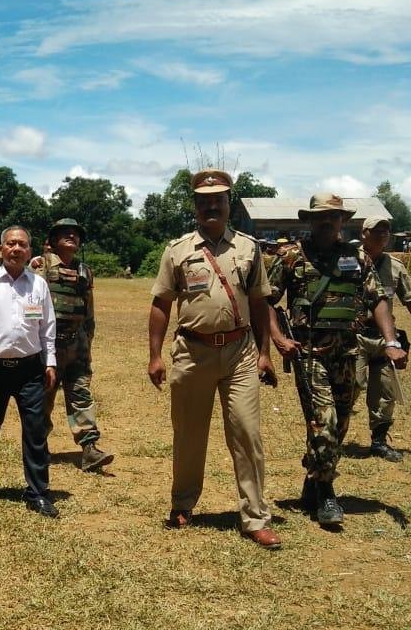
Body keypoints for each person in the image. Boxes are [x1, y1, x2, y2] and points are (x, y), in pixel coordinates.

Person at [147, 169, 282, 549]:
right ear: (195, 206)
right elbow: (161, 304)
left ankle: (255, 517)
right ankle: (183, 503)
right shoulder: (178, 251)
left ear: (228, 205)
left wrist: (265, 353)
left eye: (218, 200)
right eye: (204, 201)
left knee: (247, 434)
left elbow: (259, 302)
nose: (211, 206)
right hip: (192, 352)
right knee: (189, 435)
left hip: (240, 353)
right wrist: (155, 356)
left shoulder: (249, 248)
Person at [267, 193, 406, 526]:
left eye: (333, 216)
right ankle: (327, 495)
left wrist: (390, 340)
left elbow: (378, 300)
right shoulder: (290, 257)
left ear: (343, 221)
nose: (327, 222)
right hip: (309, 353)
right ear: (310, 220)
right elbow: (265, 301)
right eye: (320, 217)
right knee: (324, 420)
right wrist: (277, 338)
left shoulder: (358, 258)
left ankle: (313, 480)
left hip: (347, 353)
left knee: (340, 423)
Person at [0, 226, 60, 518]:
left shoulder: (38, 285)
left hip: (30, 368)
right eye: (10, 244)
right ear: (0, 249)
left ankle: (38, 492)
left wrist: (50, 361)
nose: (16, 249)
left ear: (30, 251)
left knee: (35, 431)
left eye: (22, 245)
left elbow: (48, 327)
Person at [34, 218, 114, 473]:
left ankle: (90, 449)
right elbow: (32, 304)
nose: (72, 237)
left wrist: (87, 339)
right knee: (43, 398)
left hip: (77, 346)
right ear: (53, 240)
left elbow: (88, 307)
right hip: (48, 346)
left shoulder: (84, 270)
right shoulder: (40, 265)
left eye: (76, 234)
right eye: (65, 233)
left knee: (81, 394)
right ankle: (38, 447)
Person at [355, 216, 411, 462]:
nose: (382, 235)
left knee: (385, 392)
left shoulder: (395, 266)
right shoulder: (348, 260)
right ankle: (334, 436)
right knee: (351, 385)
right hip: (353, 335)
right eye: (376, 231)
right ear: (364, 233)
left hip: (384, 338)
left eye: (386, 231)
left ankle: (378, 442)